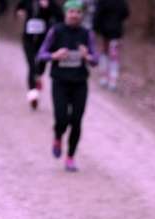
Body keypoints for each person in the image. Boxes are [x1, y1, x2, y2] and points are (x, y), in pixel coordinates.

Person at [37, 0, 98, 172]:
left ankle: (70, 157)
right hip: (60, 82)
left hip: (79, 83)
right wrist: (54, 56)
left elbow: (96, 60)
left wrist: (87, 57)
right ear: (65, 13)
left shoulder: (87, 34)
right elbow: (41, 54)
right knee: (61, 118)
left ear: (82, 15)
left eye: (78, 12)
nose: (74, 15)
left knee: (77, 121)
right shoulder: (56, 31)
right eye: (71, 12)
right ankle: (58, 136)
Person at [16, 0, 63, 110]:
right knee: (32, 66)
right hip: (28, 39)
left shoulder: (51, 3)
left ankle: (38, 77)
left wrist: (48, 7)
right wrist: (20, 12)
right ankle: (33, 94)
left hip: (44, 40)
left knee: (41, 66)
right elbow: (19, 8)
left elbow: (60, 17)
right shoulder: (28, 2)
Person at [92, 0, 128, 91]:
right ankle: (112, 80)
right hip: (116, 31)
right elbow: (126, 13)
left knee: (105, 53)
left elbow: (97, 14)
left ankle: (104, 78)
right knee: (114, 56)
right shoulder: (121, 2)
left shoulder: (103, 1)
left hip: (105, 31)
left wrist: (96, 28)